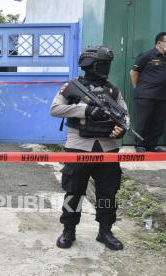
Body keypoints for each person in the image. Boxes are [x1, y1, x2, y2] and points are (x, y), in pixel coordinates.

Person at [50, 46, 128, 251]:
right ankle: (68, 230)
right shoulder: (72, 86)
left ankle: (105, 231)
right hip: (79, 146)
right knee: (73, 192)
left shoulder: (112, 90)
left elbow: (124, 115)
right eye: (102, 64)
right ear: (89, 65)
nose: (106, 68)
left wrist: (121, 129)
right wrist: (85, 110)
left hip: (107, 148)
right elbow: (55, 109)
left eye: (107, 64)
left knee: (108, 193)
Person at [130, 32, 166, 152]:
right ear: (159, 43)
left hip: (162, 96)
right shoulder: (147, 55)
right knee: (143, 122)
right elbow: (133, 73)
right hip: (145, 95)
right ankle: (140, 145)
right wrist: (138, 87)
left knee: (158, 122)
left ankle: (152, 145)